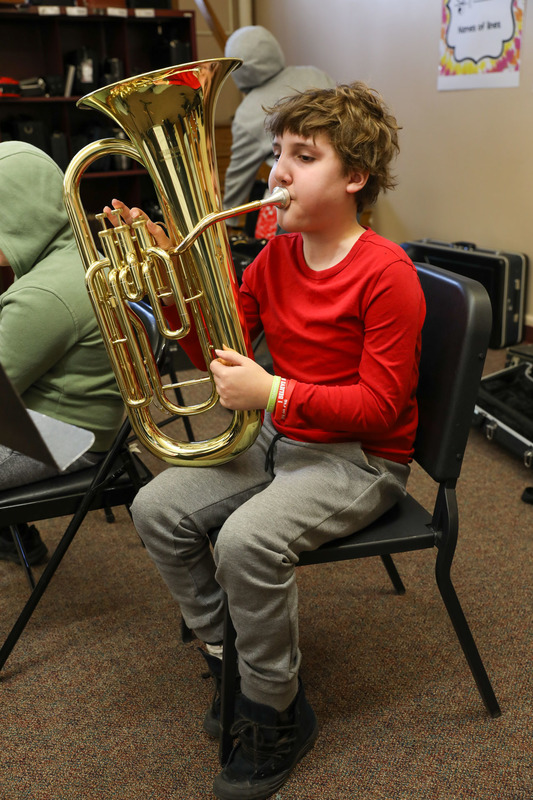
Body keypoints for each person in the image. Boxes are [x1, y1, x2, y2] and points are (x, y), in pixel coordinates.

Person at [105, 81, 426, 800]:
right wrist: (170, 284)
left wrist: (274, 392)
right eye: (277, 153)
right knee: (156, 508)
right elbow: (214, 359)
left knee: (247, 543)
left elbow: (378, 411)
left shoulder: (386, 274)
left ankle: (275, 711)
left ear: (353, 177)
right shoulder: (275, 256)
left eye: (302, 156)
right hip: (280, 439)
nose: (275, 171)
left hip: (359, 461)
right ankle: (232, 660)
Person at [0, 141, 123, 566]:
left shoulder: (43, 295)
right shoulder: (79, 255)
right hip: (90, 423)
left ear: (18, 218)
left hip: (64, 437)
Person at [222, 25, 335, 228]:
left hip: (295, 202)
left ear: (235, 69)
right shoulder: (315, 75)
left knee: (293, 256)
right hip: (340, 195)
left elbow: (238, 176)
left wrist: (228, 220)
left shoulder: (247, 114)